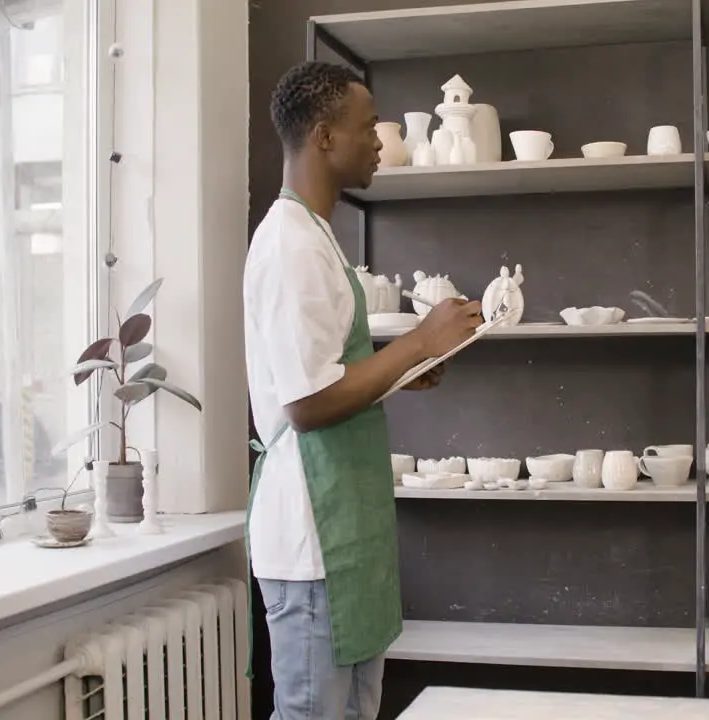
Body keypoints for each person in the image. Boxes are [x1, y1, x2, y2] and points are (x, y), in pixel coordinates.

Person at [243, 60, 483, 720]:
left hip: (339, 531)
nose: (380, 138)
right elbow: (308, 403)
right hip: (310, 538)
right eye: (366, 126)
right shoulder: (290, 244)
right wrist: (418, 342)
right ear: (323, 138)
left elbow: (326, 373)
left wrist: (399, 373)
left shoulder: (317, 236)